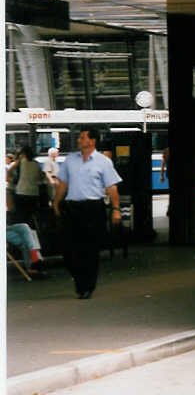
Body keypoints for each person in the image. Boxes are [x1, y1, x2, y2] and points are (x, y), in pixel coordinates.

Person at [53, 128, 122, 299]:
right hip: (72, 208)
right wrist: (55, 202)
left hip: (93, 208)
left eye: (82, 137)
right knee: (68, 249)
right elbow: (62, 184)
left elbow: (112, 187)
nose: (78, 140)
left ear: (92, 141)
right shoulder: (70, 160)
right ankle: (81, 281)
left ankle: (86, 287)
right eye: (79, 137)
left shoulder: (103, 162)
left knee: (89, 250)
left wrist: (116, 209)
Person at [8, 146, 44, 226]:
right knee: (30, 216)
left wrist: (10, 179)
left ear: (23, 154)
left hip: (21, 192)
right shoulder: (36, 164)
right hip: (34, 193)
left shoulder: (20, 162)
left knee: (21, 216)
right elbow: (41, 178)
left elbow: (9, 171)